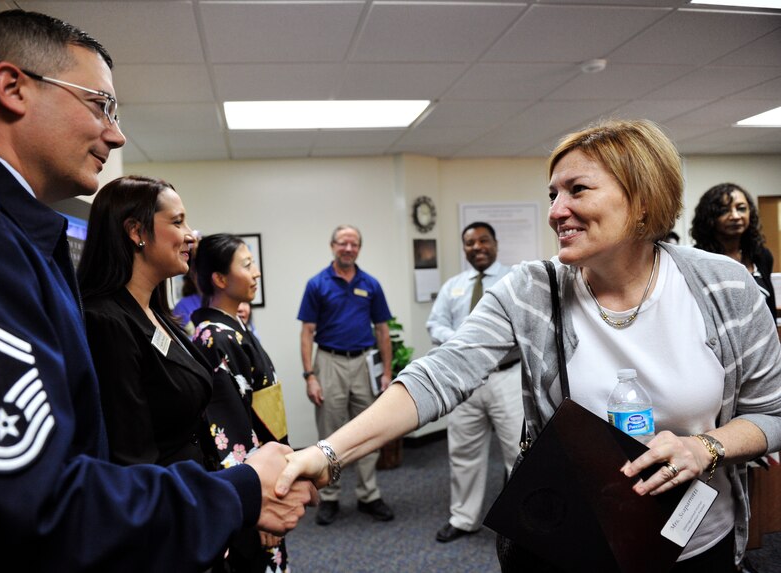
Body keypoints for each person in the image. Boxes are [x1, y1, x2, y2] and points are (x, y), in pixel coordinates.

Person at [0, 10, 314, 570]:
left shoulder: (6, 231)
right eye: (100, 106)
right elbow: (32, 509)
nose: (114, 135)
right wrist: (235, 494)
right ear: (12, 87)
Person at [278, 119, 781, 570]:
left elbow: (772, 415)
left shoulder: (722, 286)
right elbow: (440, 374)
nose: (556, 211)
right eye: (551, 194)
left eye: (577, 190)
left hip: (694, 542)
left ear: (643, 198)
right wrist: (327, 452)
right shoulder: (533, 290)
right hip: (576, 540)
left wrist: (705, 447)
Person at [77, 175, 216, 471]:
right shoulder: (106, 322)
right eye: (177, 222)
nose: (190, 235)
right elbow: (132, 457)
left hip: (196, 486)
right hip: (168, 499)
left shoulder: (156, 313)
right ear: (136, 231)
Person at [191, 233, 291, 572]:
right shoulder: (214, 336)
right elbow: (230, 431)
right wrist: (258, 500)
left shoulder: (235, 327)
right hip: (252, 482)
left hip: (267, 467)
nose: (256, 273)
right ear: (220, 279)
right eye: (247, 265)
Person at [426, 221, 524, 543]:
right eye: (470, 243)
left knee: (519, 453)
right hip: (463, 382)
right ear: (464, 248)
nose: (477, 247)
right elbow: (435, 323)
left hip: (506, 377)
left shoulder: (515, 280)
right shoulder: (453, 286)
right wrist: (460, 339)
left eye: (483, 240)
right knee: (463, 452)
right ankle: (464, 518)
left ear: (495, 243)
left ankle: (521, 518)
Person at [298, 224, 395, 525]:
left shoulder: (371, 284)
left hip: (364, 363)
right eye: (343, 243)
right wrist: (310, 375)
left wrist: (387, 373)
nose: (348, 248)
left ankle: (369, 495)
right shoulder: (317, 284)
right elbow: (306, 332)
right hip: (329, 361)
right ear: (332, 246)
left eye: (354, 244)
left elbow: (382, 330)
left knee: (369, 431)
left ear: (359, 249)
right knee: (330, 433)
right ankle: (330, 497)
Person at [691, 183, 776, 318]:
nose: (735, 216)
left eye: (741, 208)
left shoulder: (761, 255)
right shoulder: (697, 261)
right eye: (724, 210)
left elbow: (769, 309)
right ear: (709, 218)